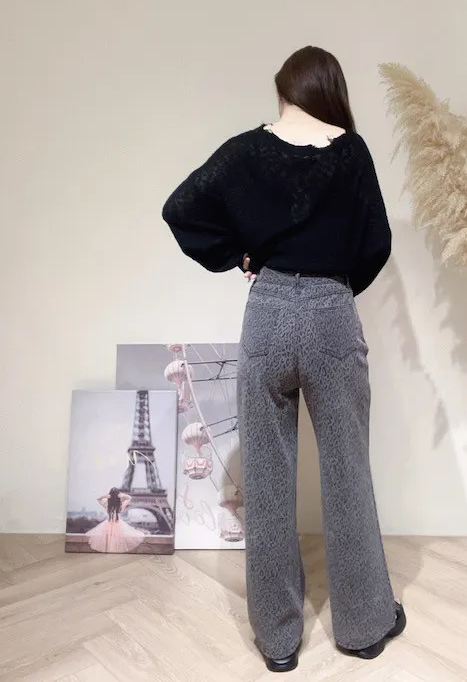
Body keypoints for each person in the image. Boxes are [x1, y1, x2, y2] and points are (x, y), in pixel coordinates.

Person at [162, 46, 405, 672]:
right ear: (331, 91)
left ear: (284, 91)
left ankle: (277, 642)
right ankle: (364, 626)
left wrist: (241, 255)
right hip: (331, 313)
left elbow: (180, 208)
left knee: (268, 485)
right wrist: (336, 286)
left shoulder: (247, 150)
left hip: (266, 312)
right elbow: (376, 243)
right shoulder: (351, 151)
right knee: (348, 472)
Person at [85, 487, 146, 553]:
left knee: (108, 537)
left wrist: (105, 496)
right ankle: (115, 550)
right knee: (117, 537)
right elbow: (129, 498)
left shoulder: (107, 504)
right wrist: (122, 495)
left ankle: (110, 549)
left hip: (108, 523)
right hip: (118, 523)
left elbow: (99, 499)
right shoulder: (121, 505)